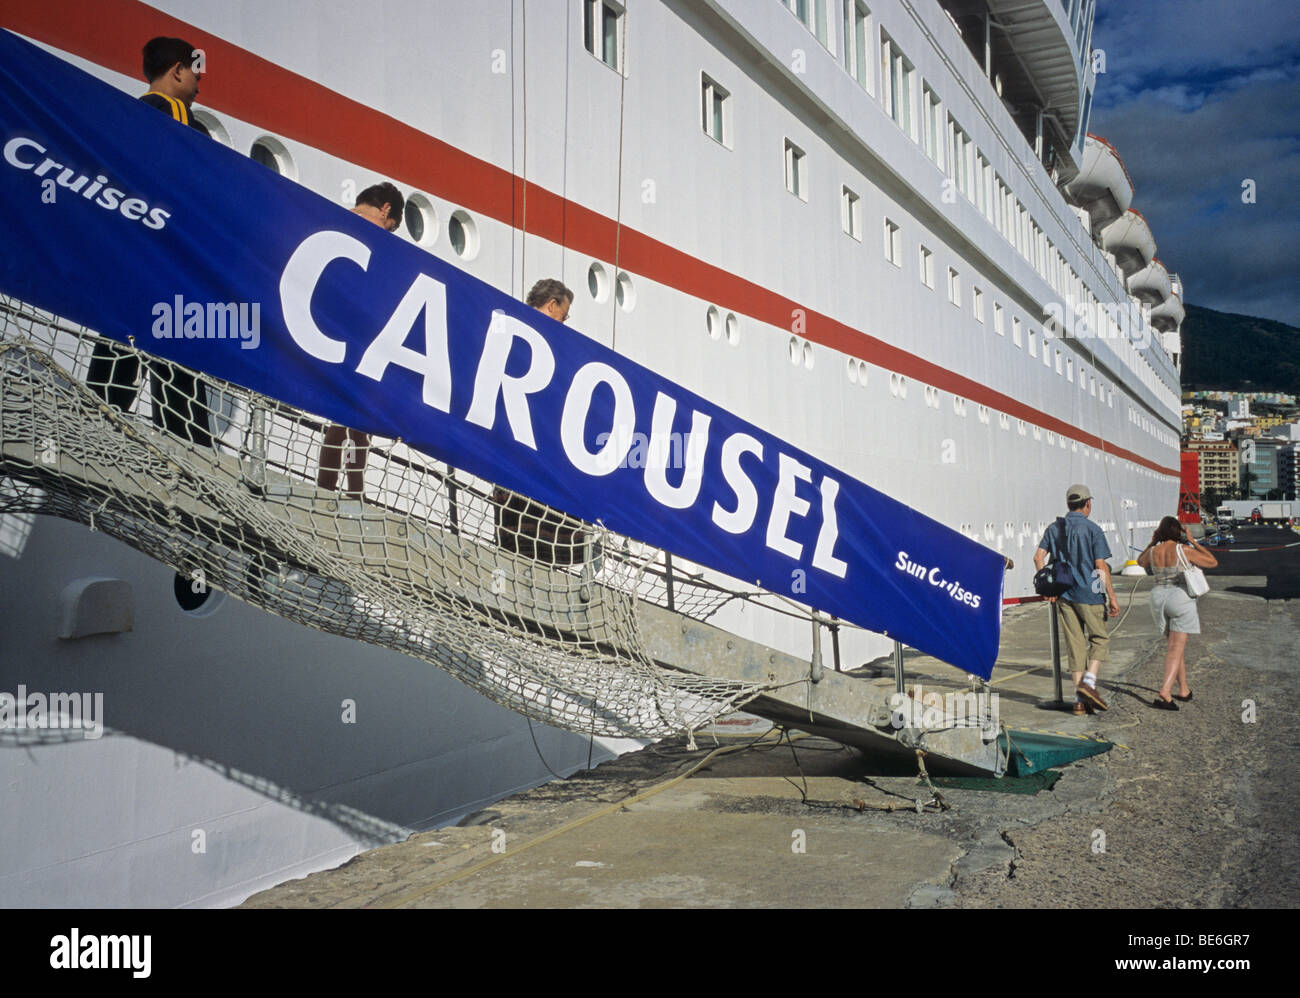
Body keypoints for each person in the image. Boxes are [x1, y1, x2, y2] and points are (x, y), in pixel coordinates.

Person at [87, 36, 212, 443]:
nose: (199, 81)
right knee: (180, 395)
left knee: (111, 377)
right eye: (196, 70)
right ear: (177, 70)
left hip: (125, 265)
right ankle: (191, 468)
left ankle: (92, 441)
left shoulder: (127, 115)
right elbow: (183, 190)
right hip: (166, 272)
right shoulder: (174, 113)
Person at [315, 183, 405, 498]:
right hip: (354, 339)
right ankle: (349, 490)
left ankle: (334, 486)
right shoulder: (365, 232)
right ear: (386, 210)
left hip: (339, 333)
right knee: (351, 426)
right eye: (390, 227)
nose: (386, 232)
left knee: (345, 424)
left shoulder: (330, 219)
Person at [493, 280, 581, 563]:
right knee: (539, 540)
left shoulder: (509, 327)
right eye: (563, 315)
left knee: (517, 540)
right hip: (530, 455)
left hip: (511, 453)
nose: (563, 323)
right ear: (552, 305)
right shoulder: (539, 341)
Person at [1034, 484, 1120, 715]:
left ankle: (1079, 703)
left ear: (1068, 505)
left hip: (1064, 595)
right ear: (1088, 504)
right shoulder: (1093, 529)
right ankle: (1088, 685)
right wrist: (1112, 597)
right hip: (1090, 594)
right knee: (1100, 638)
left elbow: (1038, 557)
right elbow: (1101, 566)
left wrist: (1048, 587)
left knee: (1075, 646)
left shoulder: (1054, 528)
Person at [1136, 516, 1217, 710]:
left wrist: (1153, 541)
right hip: (1179, 597)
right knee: (1176, 647)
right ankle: (1165, 692)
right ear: (1178, 532)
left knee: (1175, 646)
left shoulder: (1154, 550)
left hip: (1158, 598)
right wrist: (1193, 541)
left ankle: (1184, 689)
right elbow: (1212, 562)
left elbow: (1140, 562)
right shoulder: (1184, 550)